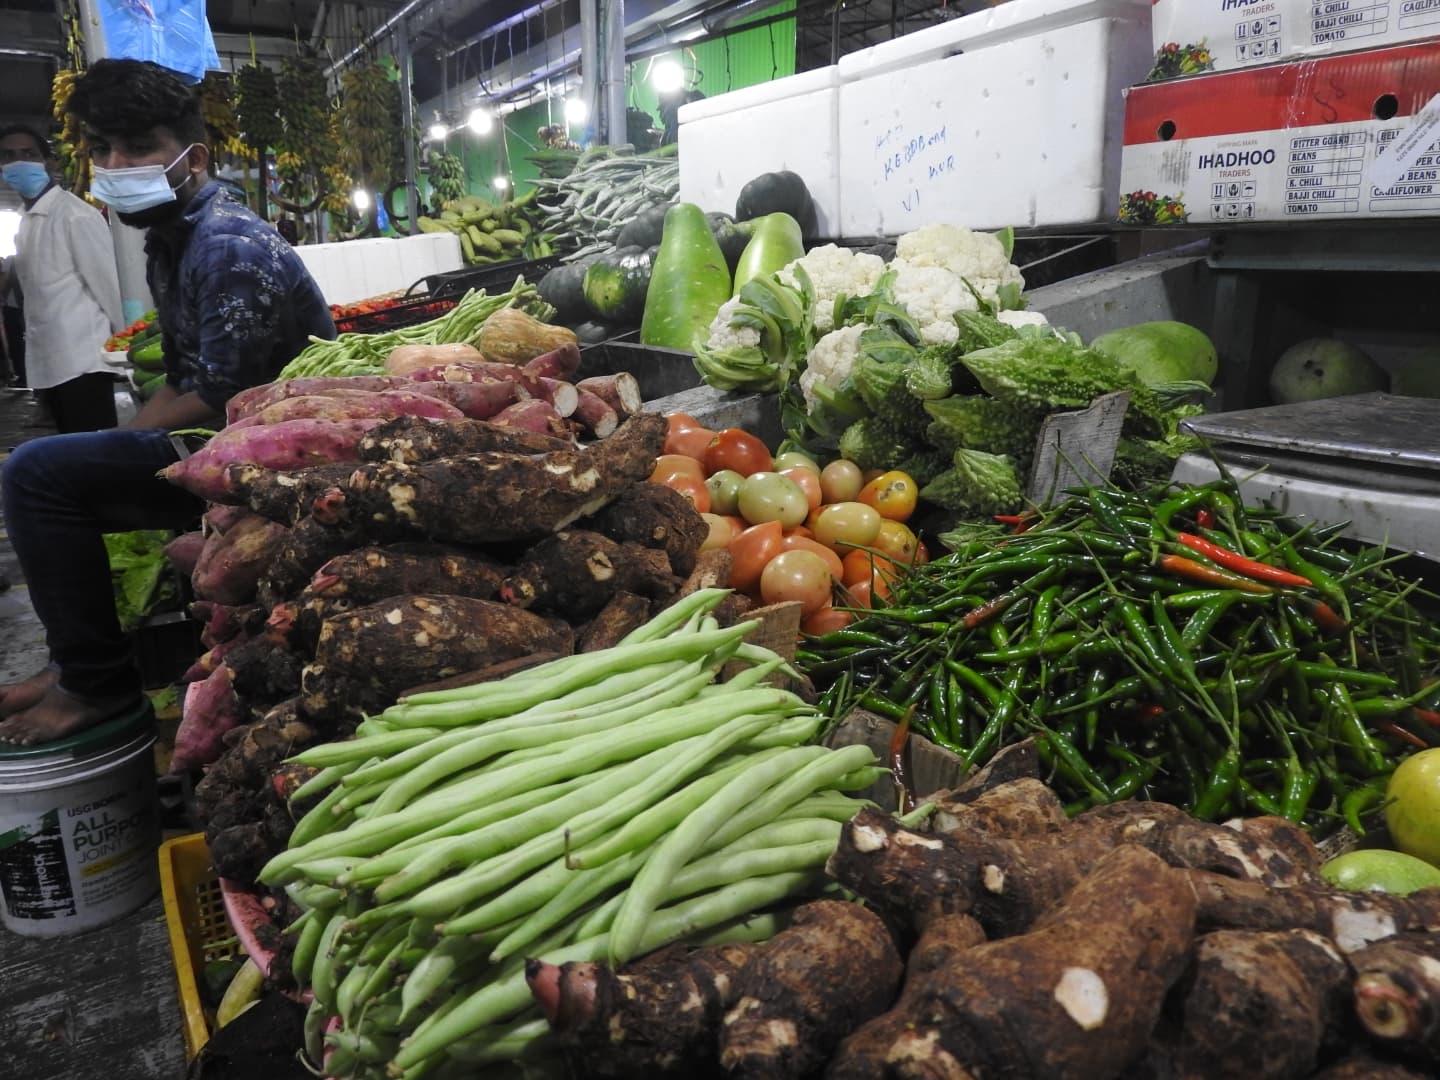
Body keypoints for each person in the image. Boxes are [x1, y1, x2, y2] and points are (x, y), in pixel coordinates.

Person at [0, 59, 336, 747]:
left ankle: (94, 681)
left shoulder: (228, 247)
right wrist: (115, 449)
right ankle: (77, 663)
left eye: (139, 147)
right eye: (102, 149)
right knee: (55, 471)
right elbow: (183, 379)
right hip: (230, 439)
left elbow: (220, 397)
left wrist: (107, 454)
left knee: (34, 474)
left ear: (193, 156)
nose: (116, 164)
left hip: (287, 457)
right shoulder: (172, 238)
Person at [1, 123, 125, 431]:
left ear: (49, 162)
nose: (18, 162)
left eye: (28, 154)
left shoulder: (76, 215)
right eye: (8, 156)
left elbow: (110, 288)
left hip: (84, 365)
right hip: (51, 366)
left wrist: (126, 356)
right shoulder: (28, 221)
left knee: (90, 457)